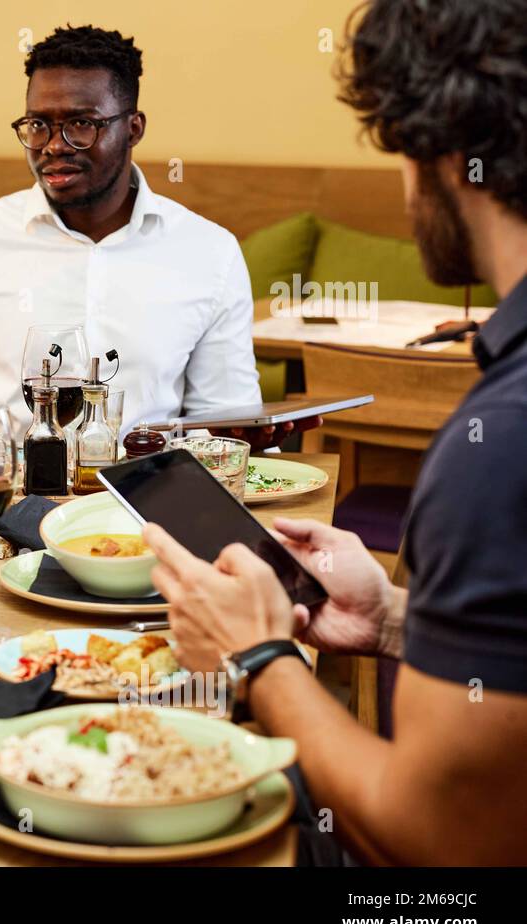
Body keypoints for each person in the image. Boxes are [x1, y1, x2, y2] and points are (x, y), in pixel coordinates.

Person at [144, 0, 527, 865]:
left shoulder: (499, 443)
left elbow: (438, 849)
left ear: (442, 153)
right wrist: (391, 618)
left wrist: (260, 654)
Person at [0, 25, 318, 448]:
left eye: (81, 124)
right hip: (0, 500)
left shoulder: (209, 253)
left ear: (134, 128)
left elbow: (222, 421)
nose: (53, 145)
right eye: (38, 125)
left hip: (147, 501)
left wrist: (245, 437)